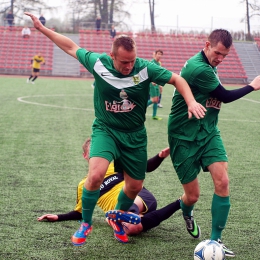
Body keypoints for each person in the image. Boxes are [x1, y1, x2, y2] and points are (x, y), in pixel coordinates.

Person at [25, 11, 206, 247]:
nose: (129, 65)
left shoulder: (145, 68)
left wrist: (191, 101)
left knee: (135, 186)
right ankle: (86, 223)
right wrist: (42, 28)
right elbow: (70, 46)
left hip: (135, 135)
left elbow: (177, 80)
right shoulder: (98, 62)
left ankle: (117, 218)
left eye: (132, 60)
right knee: (96, 175)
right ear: (112, 56)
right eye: (124, 62)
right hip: (106, 129)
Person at [168, 28, 260, 258]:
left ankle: (216, 239)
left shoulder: (210, 66)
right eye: (218, 53)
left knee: (223, 181)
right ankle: (187, 212)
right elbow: (225, 97)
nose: (220, 59)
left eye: (225, 56)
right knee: (192, 196)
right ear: (207, 44)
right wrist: (253, 85)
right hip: (183, 136)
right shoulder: (199, 68)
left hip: (208, 132)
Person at [38, 138, 181, 242]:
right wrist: (58, 217)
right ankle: (179, 203)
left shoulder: (115, 165)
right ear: (85, 156)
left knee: (128, 202)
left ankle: (122, 215)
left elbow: (145, 167)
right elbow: (80, 213)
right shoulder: (84, 185)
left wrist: (160, 156)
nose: (96, 155)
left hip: (140, 198)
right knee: (133, 229)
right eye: (92, 152)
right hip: (130, 215)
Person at [147, 50, 164, 120]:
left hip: (157, 84)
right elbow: (148, 72)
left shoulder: (159, 63)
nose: (159, 56)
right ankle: (139, 108)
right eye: (158, 54)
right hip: (152, 84)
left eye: (161, 54)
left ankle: (154, 115)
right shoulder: (151, 62)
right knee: (154, 99)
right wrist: (151, 80)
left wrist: (160, 85)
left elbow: (159, 75)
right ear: (155, 54)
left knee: (156, 100)